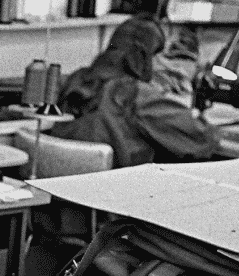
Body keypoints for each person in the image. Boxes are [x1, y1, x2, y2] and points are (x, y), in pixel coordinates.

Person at [50, 14, 219, 168]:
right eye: (156, 57)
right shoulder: (135, 95)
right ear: (144, 58)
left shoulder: (76, 80)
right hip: (117, 191)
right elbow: (202, 138)